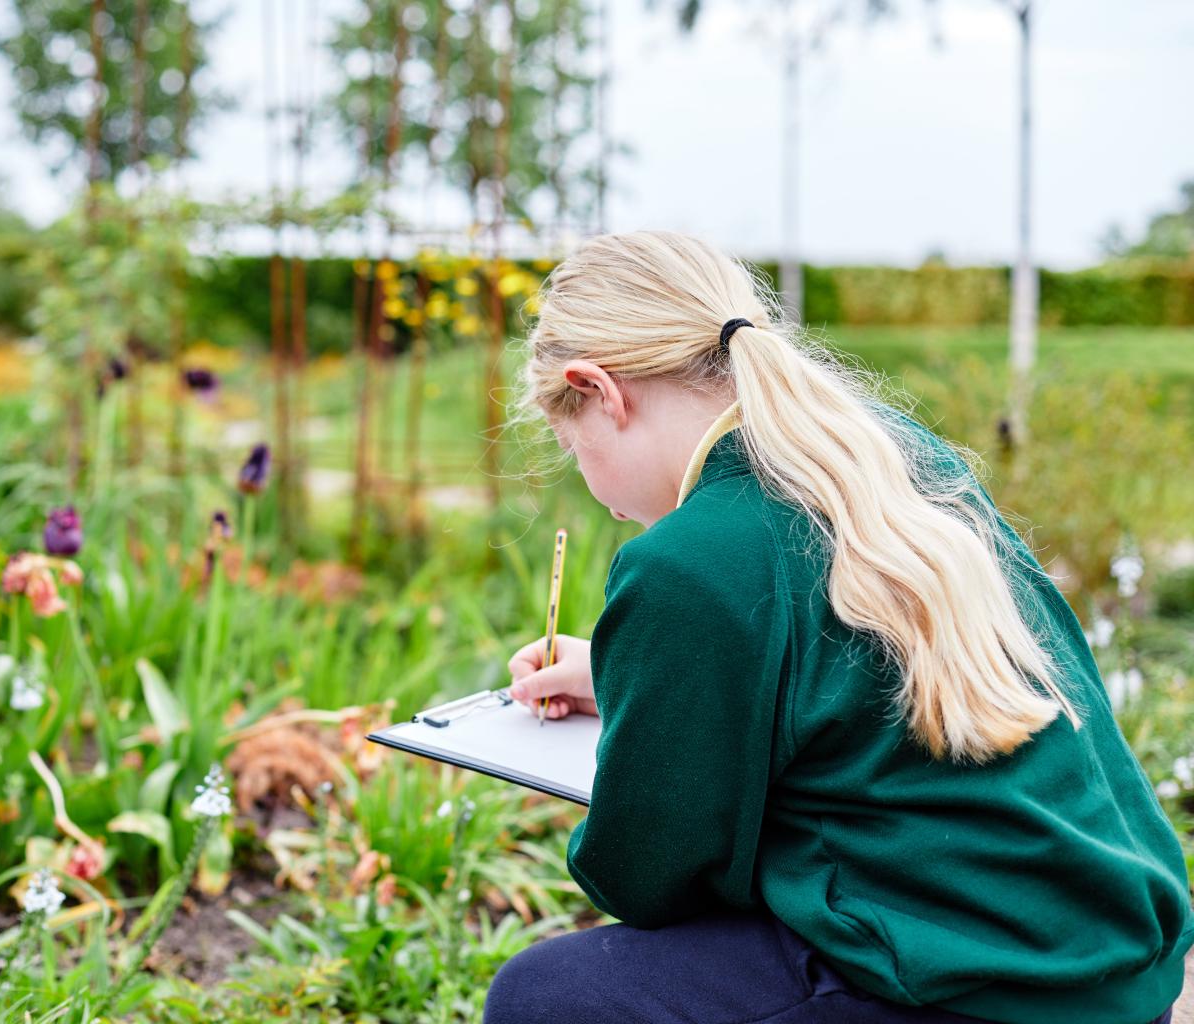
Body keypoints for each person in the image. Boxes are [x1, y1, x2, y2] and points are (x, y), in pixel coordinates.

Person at [487, 231, 1192, 1024]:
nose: (589, 482)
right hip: (1115, 959)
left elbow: (646, 881)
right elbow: (849, 685)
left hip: (984, 993)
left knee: (545, 997)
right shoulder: (886, 458)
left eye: (567, 438)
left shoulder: (686, 561)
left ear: (599, 390)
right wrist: (624, 678)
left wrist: (660, 734)